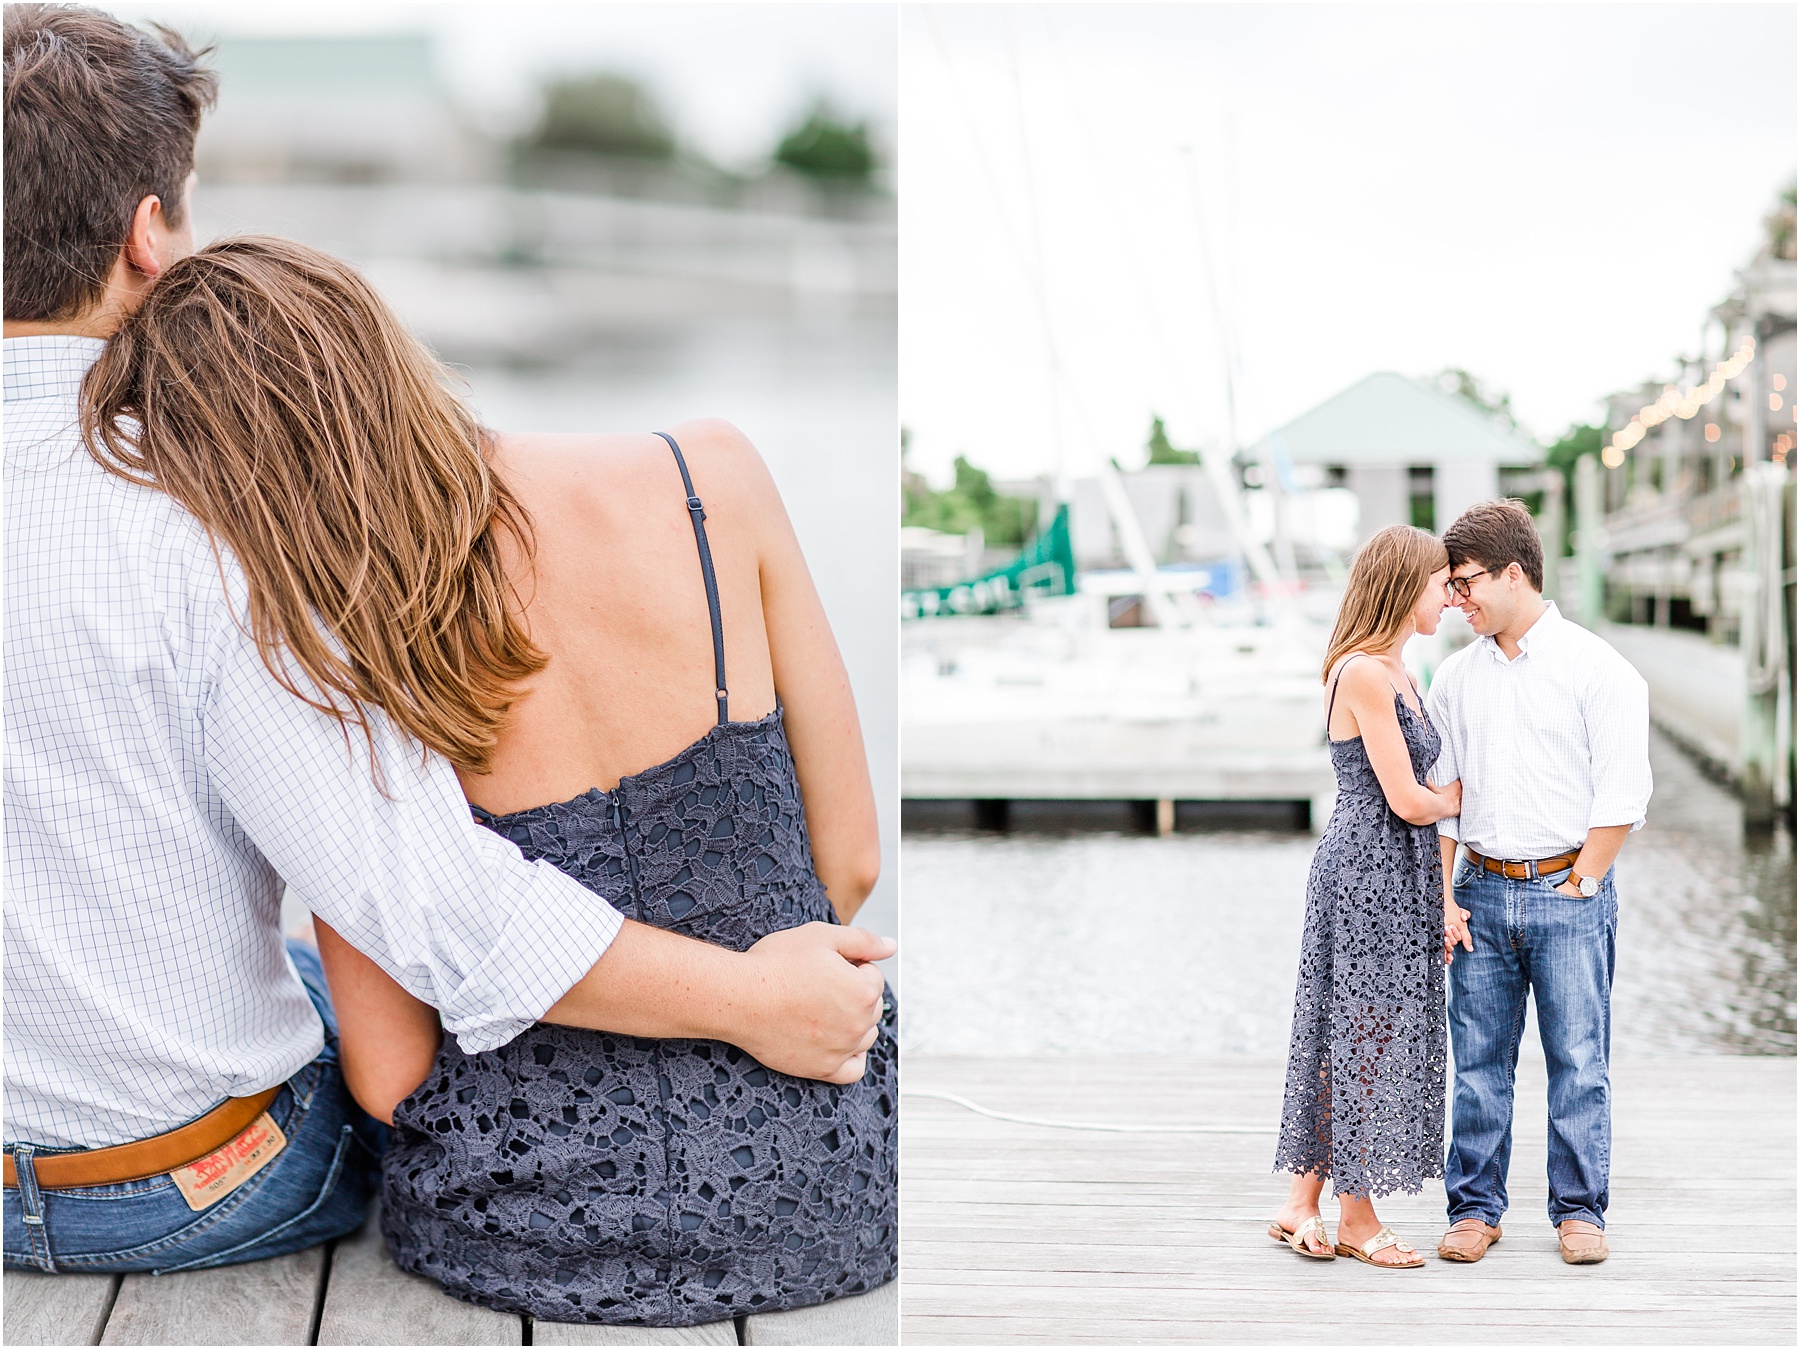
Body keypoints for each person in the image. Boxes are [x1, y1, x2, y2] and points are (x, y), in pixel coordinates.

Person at [3, 4, 890, 1279]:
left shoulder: (248, 546)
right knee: (334, 942)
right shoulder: (207, 535)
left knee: (309, 963)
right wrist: (764, 1000)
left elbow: (388, 1027)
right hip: (175, 1192)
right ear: (149, 232)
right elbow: (439, 908)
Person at [1426, 499, 1650, 1267]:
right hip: (1481, 890)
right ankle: (1475, 1208)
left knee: (1579, 1062)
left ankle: (1580, 1210)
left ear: (1513, 574)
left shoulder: (1599, 670)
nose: (1455, 598)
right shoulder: (1453, 677)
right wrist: (1445, 894)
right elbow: (1446, 797)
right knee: (1479, 1062)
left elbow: (1623, 795)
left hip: (1569, 889)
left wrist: (1583, 885)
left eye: (1465, 582)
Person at [1270, 525, 1463, 1269]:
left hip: (1398, 874)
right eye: (1439, 582)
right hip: (1366, 874)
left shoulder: (1398, 669)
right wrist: (1473, 794)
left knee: (1358, 1033)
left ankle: (1299, 1201)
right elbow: (1410, 800)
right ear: (1401, 585)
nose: (1447, 596)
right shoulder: (1362, 673)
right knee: (1362, 1036)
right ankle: (1356, 1215)